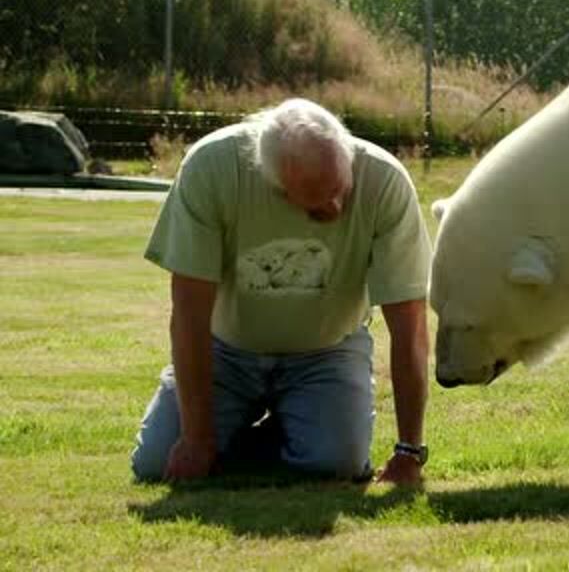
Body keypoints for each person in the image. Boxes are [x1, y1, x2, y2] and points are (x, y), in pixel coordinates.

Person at [130, 98, 432, 485]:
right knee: (155, 464)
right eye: (316, 204)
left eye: (340, 188)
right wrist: (196, 439)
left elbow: (410, 327)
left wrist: (409, 451)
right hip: (226, 352)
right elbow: (188, 316)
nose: (337, 208)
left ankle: (286, 432)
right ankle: (269, 433)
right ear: (273, 183)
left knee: (336, 464)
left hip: (327, 351)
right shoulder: (211, 169)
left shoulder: (385, 180)